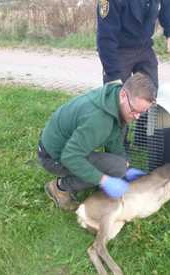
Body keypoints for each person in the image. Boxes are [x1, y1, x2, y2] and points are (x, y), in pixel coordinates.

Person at [38, 73, 157, 211]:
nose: (137, 117)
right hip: (53, 156)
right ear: (124, 95)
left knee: (119, 166)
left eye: (142, 113)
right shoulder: (99, 120)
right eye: (135, 111)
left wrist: (126, 166)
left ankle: (110, 171)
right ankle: (59, 187)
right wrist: (104, 180)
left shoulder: (115, 100)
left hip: (67, 146)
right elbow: (70, 157)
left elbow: (115, 138)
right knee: (116, 168)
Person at [97, 0, 170, 88]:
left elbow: (167, 7)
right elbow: (106, 37)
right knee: (117, 95)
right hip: (119, 50)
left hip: (144, 47)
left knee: (149, 94)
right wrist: (113, 74)